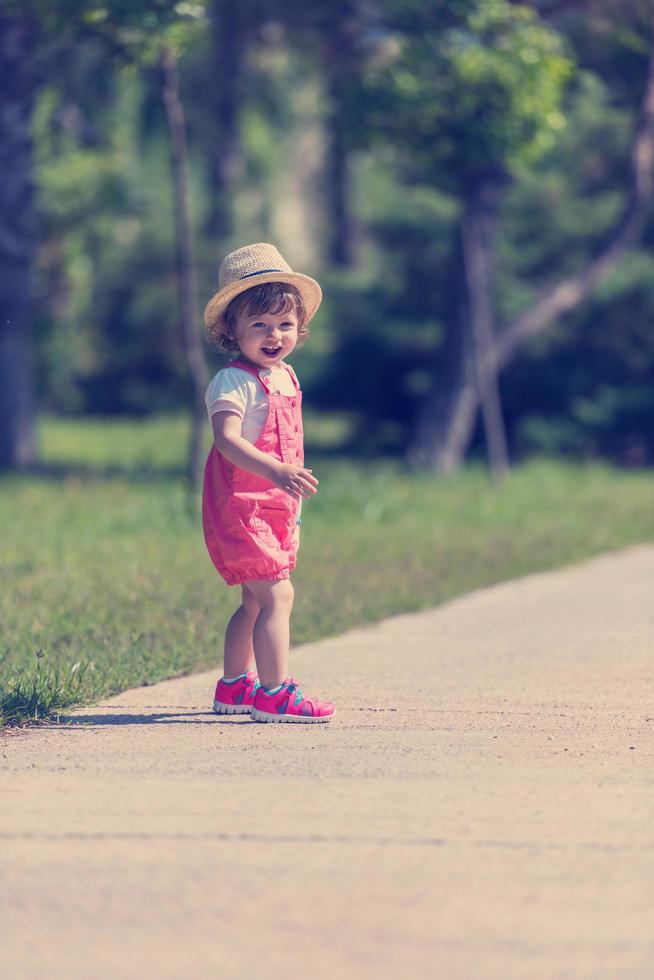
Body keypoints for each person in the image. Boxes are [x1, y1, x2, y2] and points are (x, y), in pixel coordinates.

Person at [202, 243, 335, 724]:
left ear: (300, 328)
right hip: (242, 503)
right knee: (278, 595)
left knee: (254, 599)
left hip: (275, 505)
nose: (273, 335)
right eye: (258, 325)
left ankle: (235, 685)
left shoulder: (286, 375)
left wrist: (286, 480)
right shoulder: (232, 382)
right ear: (231, 331)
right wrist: (276, 470)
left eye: (284, 324)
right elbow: (226, 441)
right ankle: (275, 693)